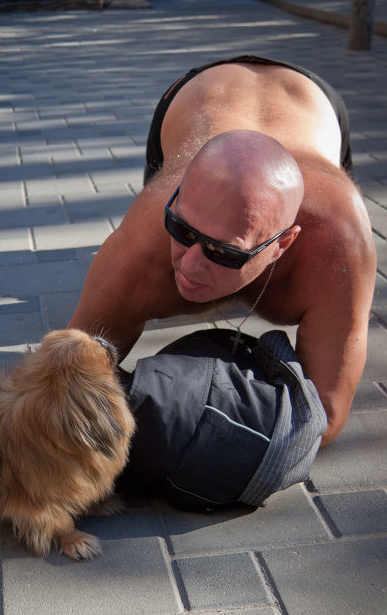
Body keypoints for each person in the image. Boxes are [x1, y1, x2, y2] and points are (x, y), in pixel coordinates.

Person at [68, 55, 376, 446]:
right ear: (176, 203)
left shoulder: (340, 246)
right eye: (181, 229)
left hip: (312, 99)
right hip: (197, 93)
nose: (190, 266)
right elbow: (63, 382)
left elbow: (324, 421)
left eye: (226, 252)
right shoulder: (142, 244)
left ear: (284, 244)